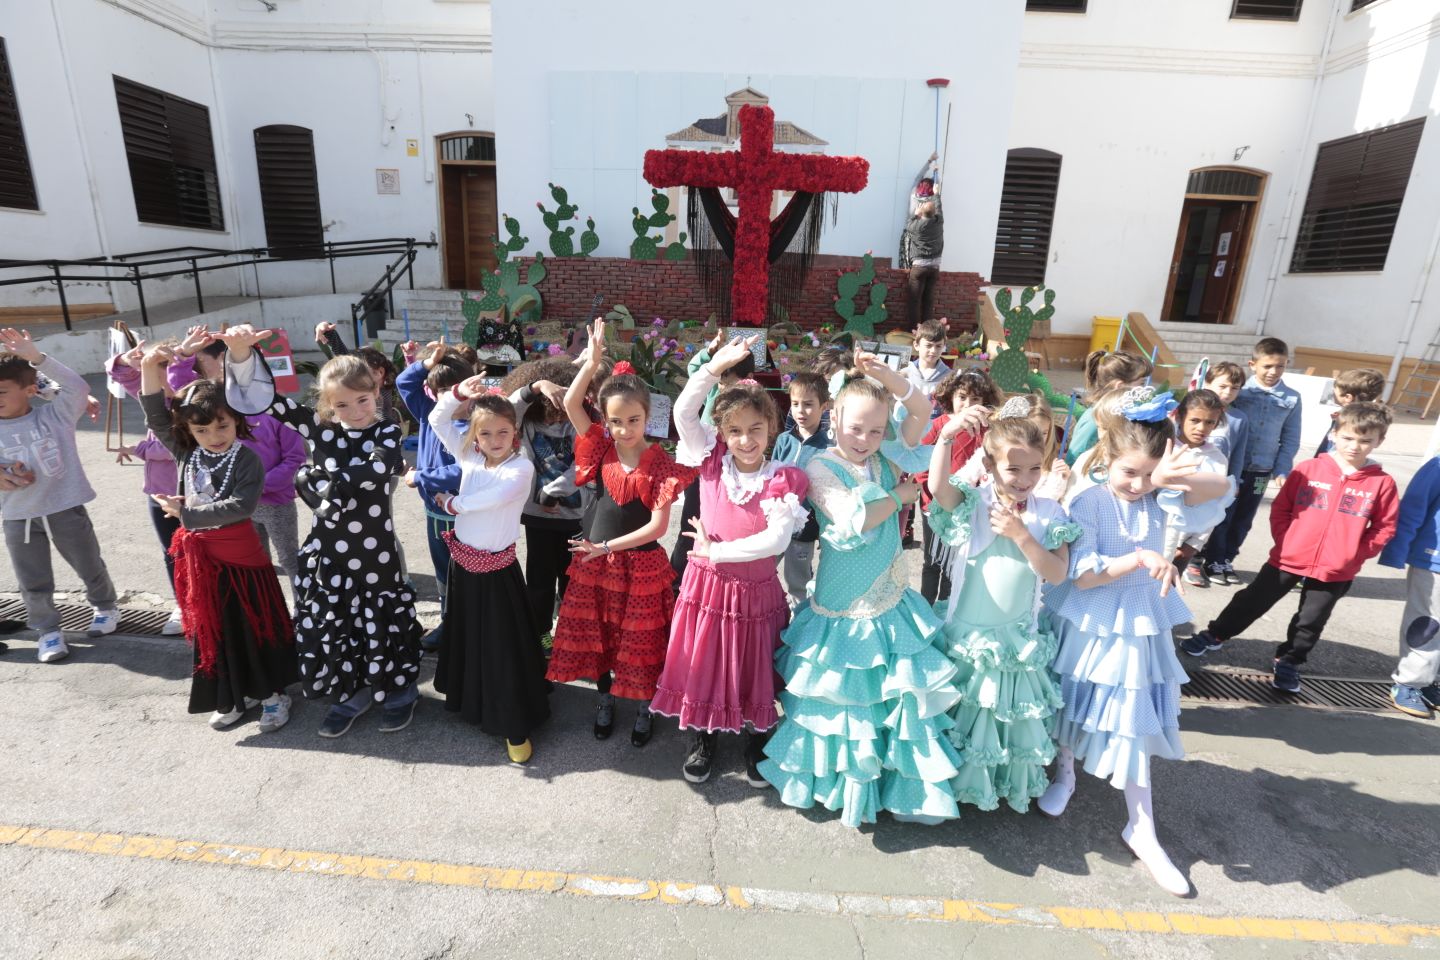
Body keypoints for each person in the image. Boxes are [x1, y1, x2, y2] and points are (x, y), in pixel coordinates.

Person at [1039, 387, 1232, 896]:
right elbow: (1079, 576)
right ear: (1108, 458)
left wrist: (1167, 479)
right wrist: (1140, 559)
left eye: (1149, 474)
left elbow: (1223, 484)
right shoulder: (1089, 500)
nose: (1138, 483)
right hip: (1089, 617)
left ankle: (1141, 826)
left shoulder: (1161, 495)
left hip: (1140, 625)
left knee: (1131, 722)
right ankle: (1065, 773)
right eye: (1130, 472)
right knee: (1071, 701)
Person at [759, 351, 963, 828]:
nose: (867, 440)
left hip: (890, 591)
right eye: (856, 429)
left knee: (890, 695)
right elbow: (854, 517)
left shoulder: (884, 452)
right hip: (841, 598)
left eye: (876, 431)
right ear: (835, 417)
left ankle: (889, 787)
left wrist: (887, 377)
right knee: (841, 696)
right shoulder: (820, 468)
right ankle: (839, 786)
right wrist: (899, 497)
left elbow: (920, 413)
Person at [224, 325, 424, 738]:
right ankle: (353, 691)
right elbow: (268, 403)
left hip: (375, 553)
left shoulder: (386, 429)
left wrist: (316, 480)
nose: (355, 411)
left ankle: (397, 688)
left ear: (375, 394)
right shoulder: (321, 428)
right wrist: (242, 355)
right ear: (327, 405)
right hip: (329, 550)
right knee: (338, 619)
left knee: (382, 618)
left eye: (363, 400)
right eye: (342, 404)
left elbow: (376, 468)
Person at [654, 336, 809, 785]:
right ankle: (701, 736)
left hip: (756, 591)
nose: (745, 440)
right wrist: (710, 368)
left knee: (751, 665)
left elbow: (775, 540)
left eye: (755, 430)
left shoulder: (782, 479)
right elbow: (685, 412)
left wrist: (714, 550)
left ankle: (755, 737)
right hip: (706, 587)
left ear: (771, 430)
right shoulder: (710, 458)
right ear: (722, 432)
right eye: (735, 430)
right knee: (705, 661)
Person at [926, 399, 1079, 814]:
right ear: (990, 467)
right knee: (961, 714)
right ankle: (949, 786)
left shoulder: (1049, 512)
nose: (1025, 479)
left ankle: (989, 787)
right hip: (966, 633)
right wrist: (946, 435)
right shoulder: (973, 502)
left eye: (1034, 468)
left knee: (1002, 722)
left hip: (1014, 641)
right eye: (1013, 469)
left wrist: (1023, 535)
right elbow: (937, 489)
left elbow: (1057, 573)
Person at [546, 320, 695, 747]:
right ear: (606, 421)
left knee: (642, 640)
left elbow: (658, 526)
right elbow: (574, 402)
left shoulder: (660, 463)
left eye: (633, 419)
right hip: (596, 564)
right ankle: (606, 699)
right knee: (604, 637)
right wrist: (591, 362)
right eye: (616, 421)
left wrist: (605, 546)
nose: (624, 428)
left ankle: (645, 707)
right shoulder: (599, 445)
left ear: (648, 416)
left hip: (640, 565)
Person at [1182, 403, 1398, 694]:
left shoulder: (1381, 483)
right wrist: (1287, 539)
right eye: (1348, 437)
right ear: (1334, 435)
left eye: (1365, 440)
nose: (1355, 446)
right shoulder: (1309, 469)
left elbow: (1385, 526)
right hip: (1288, 557)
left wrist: (1355, 554)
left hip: (1336, 568)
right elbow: (1282, 508)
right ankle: (1216, 634)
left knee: (1311, 619)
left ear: (1378, 442)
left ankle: (1289, 661)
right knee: (1252, 600)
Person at [138, 346, 297, 731]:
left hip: (244, 561)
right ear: (188, 431)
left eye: (222, 426)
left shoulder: (247, 459)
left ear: (236, 421)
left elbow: (241, 506)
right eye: (202, 430)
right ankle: (233, 695)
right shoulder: (185, 453)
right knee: (217, 627)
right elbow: (156, 414)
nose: (214, 436)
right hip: (204, 564)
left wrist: (186, 513)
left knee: (254, 625)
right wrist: (146, 367)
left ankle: (275, 694)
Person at [428, 377, 551, 763]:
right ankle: (472, 702)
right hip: (464, 568)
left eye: (503, 431)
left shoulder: (520, 469)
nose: (495, 438)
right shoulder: (469, 457)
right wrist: (459, 394)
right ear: (475, 436)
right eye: (485, 432)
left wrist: (451, 504)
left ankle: (515, 725)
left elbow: (488, 500)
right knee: (471, 640)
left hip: (498, 574)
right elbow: (437, 420)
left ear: (515, 432)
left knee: (501, 650)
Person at [0, 327, 120, 663]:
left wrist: (36, 358)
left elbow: (78, 387)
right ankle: (48, 632)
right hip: (17, 516)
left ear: (29, 389)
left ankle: (106, 607)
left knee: (87, 562)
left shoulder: (56, 415)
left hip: (64, 507)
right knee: (32, 579)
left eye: (2, 391)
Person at [168, 326, 307, 590]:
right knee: (257, 563)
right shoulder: (223, 407)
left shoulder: (279, 411)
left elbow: (294, 459)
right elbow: (181, 390)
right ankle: (270, 610)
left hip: (275, 503)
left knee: (290, 560)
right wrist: (184, 355)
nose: (216, 433)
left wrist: (253, 485)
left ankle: (305, 613)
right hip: (235, 506)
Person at [505, 357, 593, 652]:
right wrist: (537, 386)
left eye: (560, 414)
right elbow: (509, 410)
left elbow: (585, 461)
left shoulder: (579, 421)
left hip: (576, 517)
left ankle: (569, 636)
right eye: (549, 414)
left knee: (572, 583)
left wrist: (554, 490)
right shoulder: (526, 423)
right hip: (538, 519)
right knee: (539, 583)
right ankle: (541, 633)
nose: (555, 421)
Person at [1202, 337, 1302, 585]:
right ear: (1253, 364)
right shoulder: (1239, 392)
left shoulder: (1292, 398)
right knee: (1224, 513)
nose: (1273, 372)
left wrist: (1282, 469)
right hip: (1232, 467)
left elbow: (1290, 437)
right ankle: (1212, 558)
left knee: (1244, 518)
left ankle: (1227, 558)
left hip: (1261, 472)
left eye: (1280, 366)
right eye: (1267, 366)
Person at [395, 342, 469, 650]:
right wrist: (425, 365)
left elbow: (464, 472)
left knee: (465, 575)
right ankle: (448, 622)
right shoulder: (428, 414)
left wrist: (419, 476)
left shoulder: (473, 426)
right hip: (434, 515)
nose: (448, 400)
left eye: (456, 392)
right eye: (441, 392)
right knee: (443, 575)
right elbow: (403, 383)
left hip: (463, 516)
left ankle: (469, 626)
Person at [107, 341, 184, 636]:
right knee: (171, 553)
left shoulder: (186, 400)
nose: (144, 377)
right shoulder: (152, 394)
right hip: (158, 493)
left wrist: (138, 448)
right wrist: (126, 359)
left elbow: (170, 447)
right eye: (144, 370)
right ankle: (182, 605)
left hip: (186, 493)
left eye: (156, 369)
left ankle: (204, 605)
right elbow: (118, 374)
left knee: (198, 551)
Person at [671, 330, 757, 587]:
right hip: (702, 471)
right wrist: (713, 359)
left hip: (737, 579)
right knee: (691, 529)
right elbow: (685, 409)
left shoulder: (758, 464)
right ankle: (677, 584)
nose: (722, 389)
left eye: (753, 428)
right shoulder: (707, 446)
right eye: (719, 381)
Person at [916, 369, 1003, 603]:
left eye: (975, 399)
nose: (967, 405)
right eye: (962, 397)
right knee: (932, 560)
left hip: (967, 507)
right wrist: (927, 495)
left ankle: (946, 607)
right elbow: (921, 461)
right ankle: (925, 607)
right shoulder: (939, 426)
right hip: (934, 505)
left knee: (956, 561)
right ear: (951, 397)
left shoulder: (988, 431)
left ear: (985, 402)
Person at [1379, 452, 1440, 718]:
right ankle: (1408, 683)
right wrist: (1396, 551)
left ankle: (1430, 682)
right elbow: (1414, 506)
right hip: (1434, 559)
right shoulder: (1438, 465)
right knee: (1427, 624)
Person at [770, 371, 832, 607]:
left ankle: (800, 625)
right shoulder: (784, 439)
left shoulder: (828, 446)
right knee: (764, 569)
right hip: (775, 522)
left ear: (823, 406)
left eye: (808, 405)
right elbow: (772, 478)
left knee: (798, 581)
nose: (800, 411)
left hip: (805, 529)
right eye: (795, 404)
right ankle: (768, 616)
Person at [1166, 389, 1236, 588]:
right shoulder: (1164, 449)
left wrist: (1194, 544)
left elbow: (1215, 505)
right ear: (1179, 416)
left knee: (1165, 594)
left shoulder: (1217, 460)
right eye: (1195, 420)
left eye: (1209, 422)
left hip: (1183, 545)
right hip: (1153, 538)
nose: (1201, 428)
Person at [1063, 350, 1153, 467]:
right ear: (1120, 386)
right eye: (1141, 384)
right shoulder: (1095, 418)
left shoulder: (1120, 414)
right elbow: (1073, 459)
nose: (1144, 389)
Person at [902, 153, 944, 328]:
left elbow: (916, 179)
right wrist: (936, 174)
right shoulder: (938, 219)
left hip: (918, 264)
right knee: (928, 300)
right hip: (934, 265)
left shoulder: (913, 217)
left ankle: (914, 330)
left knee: (914, 300)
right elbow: (938, 196)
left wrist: (929, 162)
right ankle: (928, 330)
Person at [1315, 368, 1384, 457]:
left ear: (1348, 397)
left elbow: (1336, 448)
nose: (1333, 393)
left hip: (1332, 460)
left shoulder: (1349, 420)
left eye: (1334, 391)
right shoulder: (1363, 416)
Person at [903, 320, 951, 407]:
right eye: (928, 345)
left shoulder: (949, 376)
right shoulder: (904, 371)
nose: (933, 351)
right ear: (916, 345)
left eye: (938, 346)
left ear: (944, 346)